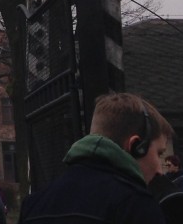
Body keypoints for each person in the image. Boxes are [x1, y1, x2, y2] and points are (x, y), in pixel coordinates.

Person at [19, 92, 171, 223]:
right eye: (159, 153)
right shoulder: (137, 206)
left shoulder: (33, 205)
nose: (160, 170)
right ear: (136, 146)